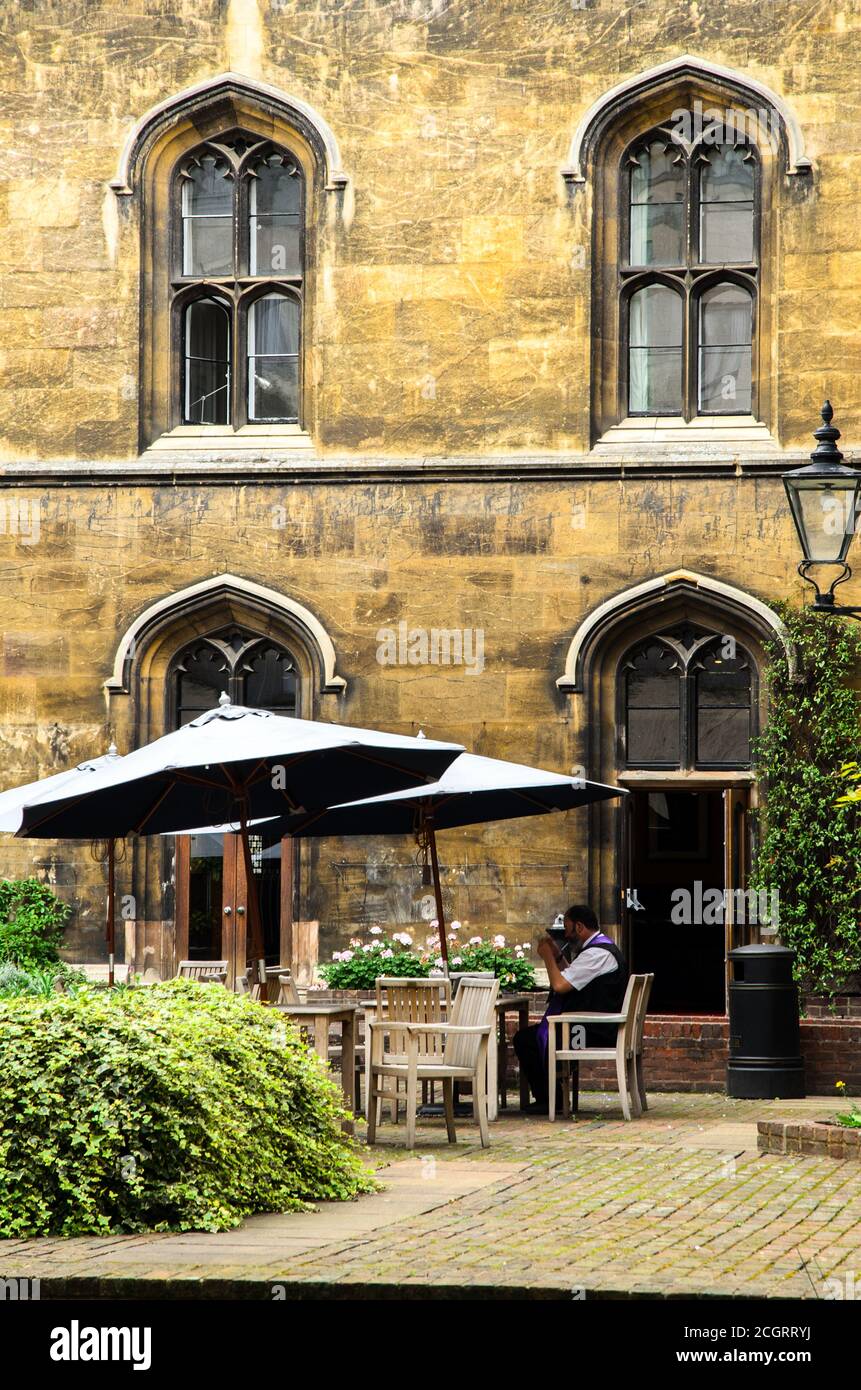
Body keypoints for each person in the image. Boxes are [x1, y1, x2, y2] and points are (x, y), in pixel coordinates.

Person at [513, 904, 629, 1114]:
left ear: (580, 927)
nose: (566, 935)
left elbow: (560, 986)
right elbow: (572, 977)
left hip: (595, 1032)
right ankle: (553, 1097)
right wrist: (558, 957)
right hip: (598, 1026)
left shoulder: (596, 954)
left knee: (526, 1040)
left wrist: (547, 957)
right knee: (534, 1036)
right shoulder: (601, 948)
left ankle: (551, 1100)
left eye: (567, 929)